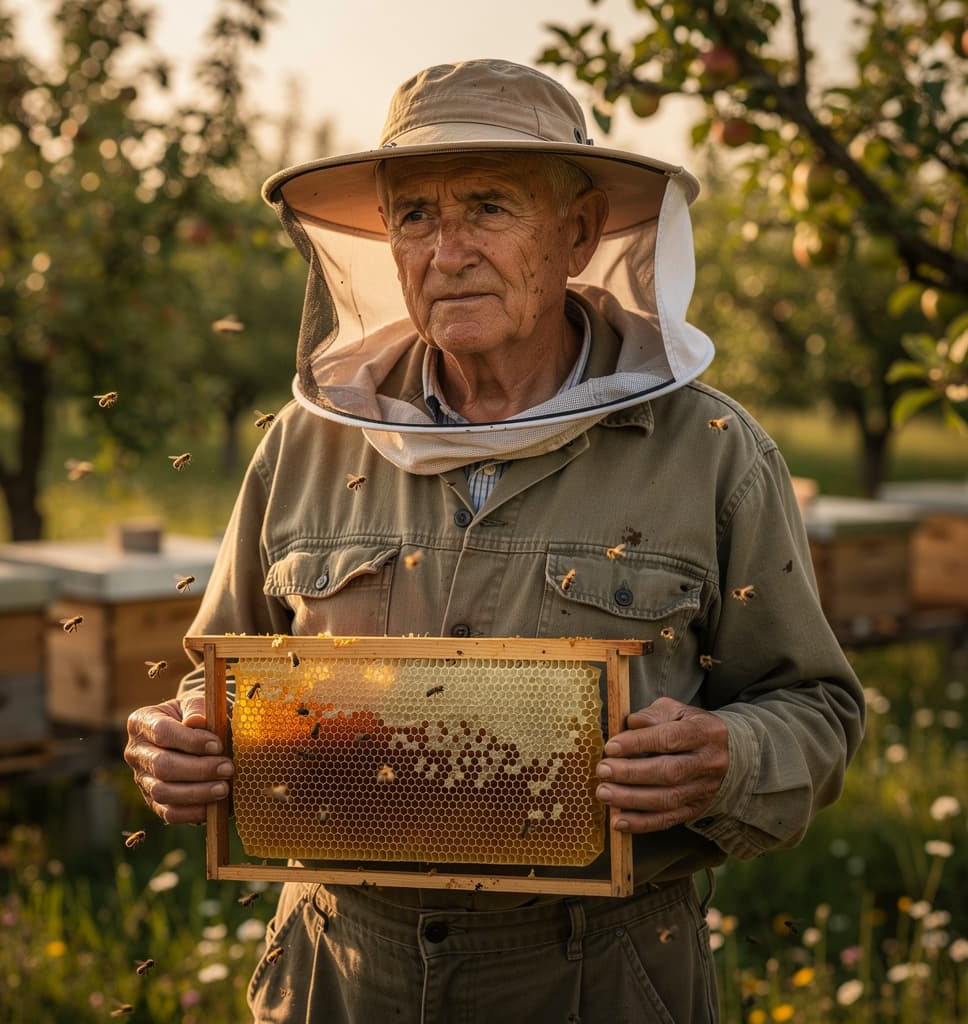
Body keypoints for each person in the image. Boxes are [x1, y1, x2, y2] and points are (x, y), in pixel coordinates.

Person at [125, 59, 865, 1023]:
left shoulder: (713, 454)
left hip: (597, 967)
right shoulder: (307, 443)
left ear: (581, 232)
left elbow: (817, 708)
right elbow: (218, 676)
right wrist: (178, 741)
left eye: (489, 207)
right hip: (339, 968)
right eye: (416, 216)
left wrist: (732, 755)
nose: (448, 251)